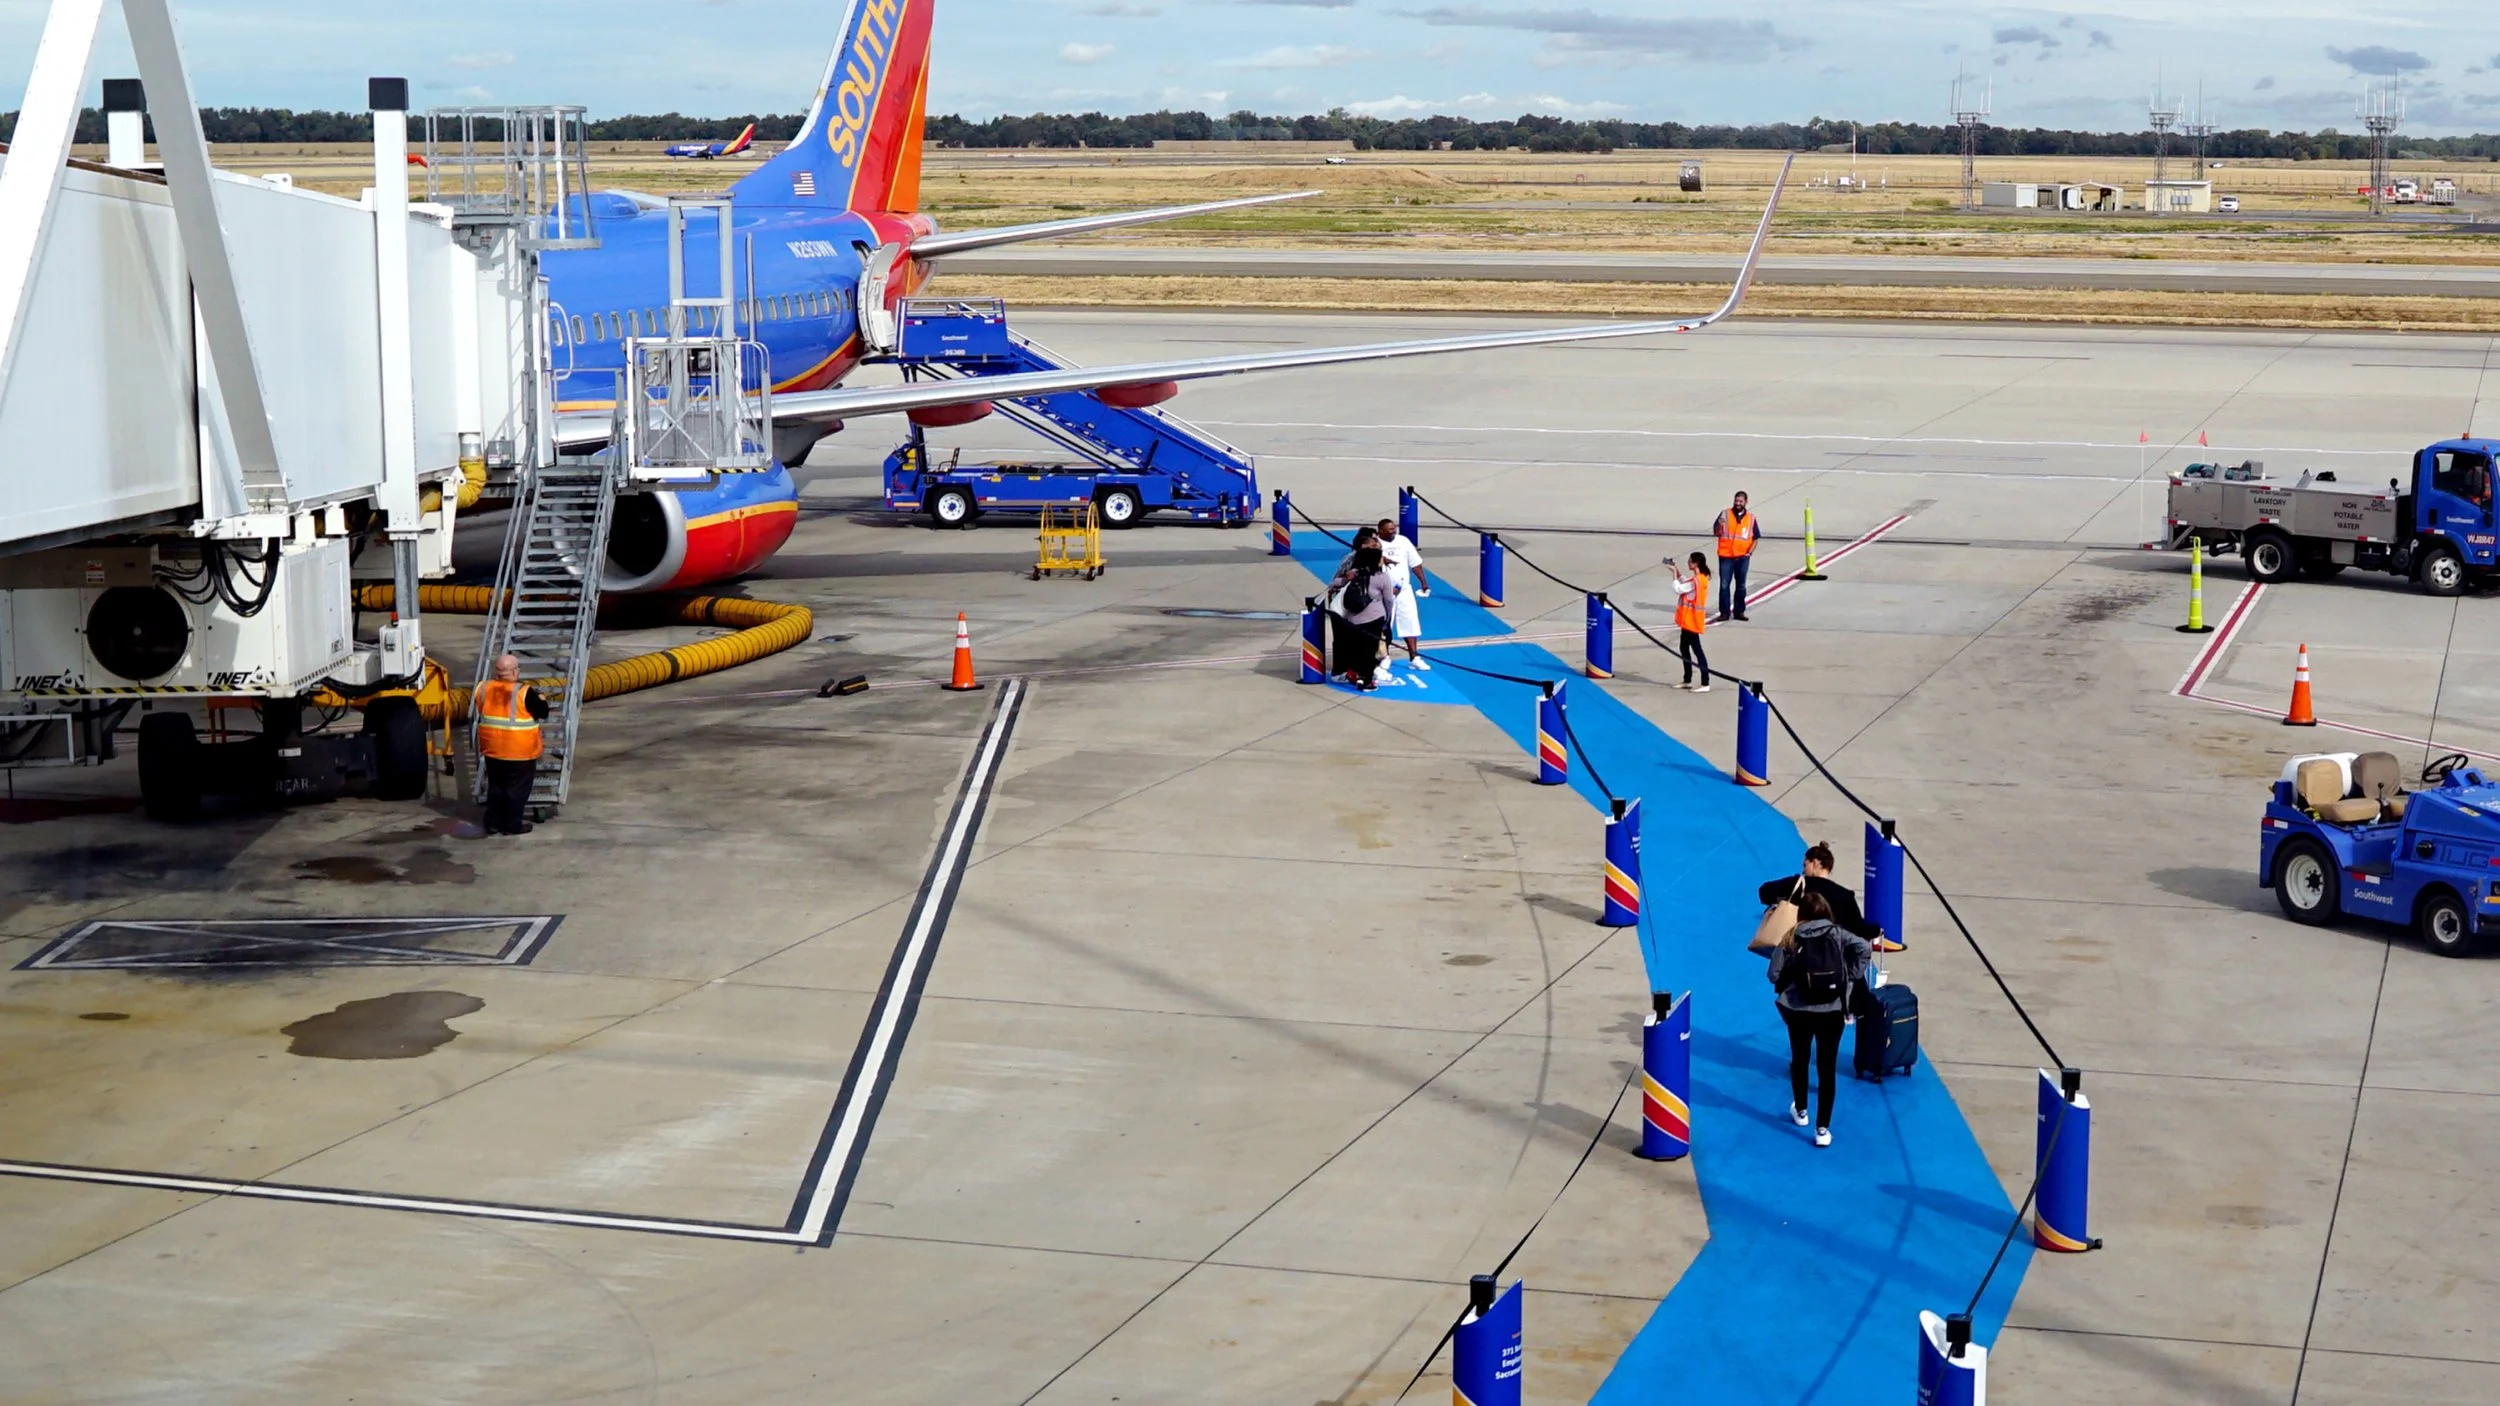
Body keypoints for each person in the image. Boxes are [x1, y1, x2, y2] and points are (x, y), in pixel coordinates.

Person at [1763, 890, 1873, 1147]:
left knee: (1799, 1060)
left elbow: (1773, 974)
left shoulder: (1790, 937)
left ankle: (1801, 1110)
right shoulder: (1838, 934)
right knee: (1827, 1067)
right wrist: (1849, 977)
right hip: (1832, 1010)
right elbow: (1864, 948)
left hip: (1798, 1010)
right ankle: (1822, 1129)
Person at [1758, 839, 1899, 952]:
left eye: (1805, 865)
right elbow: (1858, 927)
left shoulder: (1798, 884)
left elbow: (1764, 892)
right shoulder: (1844, 895)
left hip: (1800, 951)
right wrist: (1877, 930)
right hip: (1832, 955)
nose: (1803, 870)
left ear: (1815, 863)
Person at [475, 653, 549, 836]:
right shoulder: (524, 692)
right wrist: (541, 699)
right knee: (516, 790)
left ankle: (492, 823)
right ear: (515, 672)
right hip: (519, 751)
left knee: (496, 787)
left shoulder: (483, 688)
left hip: (492, 749)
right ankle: (512, 825)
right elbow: (543, 712)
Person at [1329, 544, 1395, 690]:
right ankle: (1366, 681)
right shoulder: (1382, 577)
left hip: (1354, 619)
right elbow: (1389, 600)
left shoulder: (1355, 574)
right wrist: (1388, 617)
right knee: (1370, 651)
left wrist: (1346, 577)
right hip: (1374, 618)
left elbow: (1335, 583)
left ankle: (1357, 675)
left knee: (1357, 649)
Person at [1375, 518, 1431, 670]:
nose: (1393, 532)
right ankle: (1384, 656)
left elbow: (1415, 563)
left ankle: (1414, 657)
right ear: (1380, 531)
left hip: (1404, 589)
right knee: (1383, 625)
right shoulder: (1375, 544)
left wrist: (1423, 582)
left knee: (1410, 620)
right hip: (1383, 592)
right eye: (1389, 530)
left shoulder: (1403, 541)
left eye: (1394, 529)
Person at [1713, 490, 1759, 622]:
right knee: (1724, 585)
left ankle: (1739, 612)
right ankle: (1724, 613)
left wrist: (1749, 552)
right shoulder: (1725, 514)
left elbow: (1755, 538)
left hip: (1742, 557)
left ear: (1745, 502)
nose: (1738, 503)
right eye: (1736, 501)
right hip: (1726, 555)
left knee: (1741, 585)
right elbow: (1716, 532)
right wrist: (1720, 525)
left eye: (1741, 501)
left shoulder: (1751, 518)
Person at [1673, 552, 1712, 692]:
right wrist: (1677, 571)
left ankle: (1705, 682)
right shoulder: (1700, 578)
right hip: (1689, 621)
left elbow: (1678, 589)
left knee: (1697, 651)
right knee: (1684, 648)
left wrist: (1673, 575)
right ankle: (1687, 679)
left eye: (1690, 560)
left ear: (1696, 563)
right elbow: (1686, 583)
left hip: (1691, 621)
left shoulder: (1696, 581)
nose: (1688, 562)